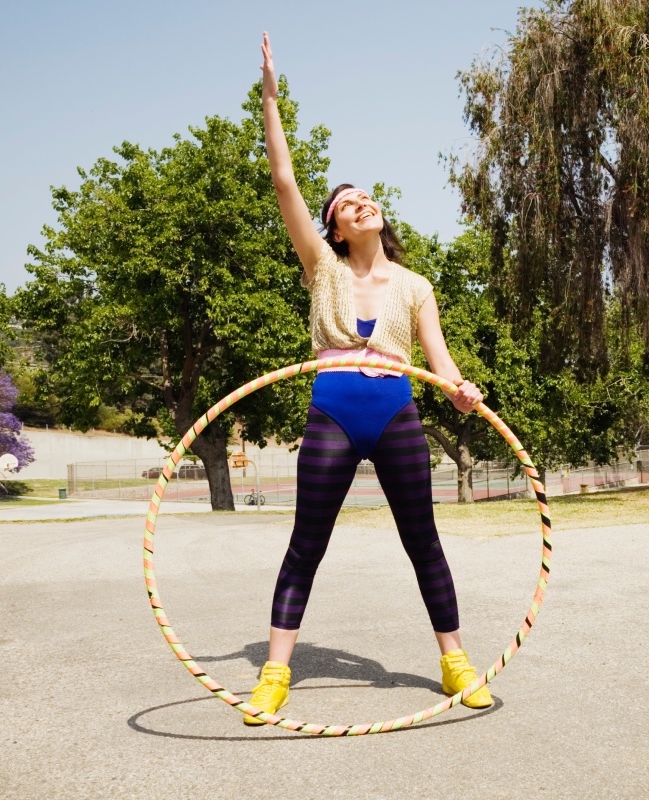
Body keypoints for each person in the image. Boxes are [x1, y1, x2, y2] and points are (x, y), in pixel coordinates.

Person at [244, 31, 492, 725]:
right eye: (347, 203)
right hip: (333, 412)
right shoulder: (320, 268)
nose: (362, 203)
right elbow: (285, 182)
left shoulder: (415, 285)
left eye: (367, 197)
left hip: (396, 414)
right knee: (306, 544)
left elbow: (439, 362)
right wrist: (270, 94)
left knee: (425, 541)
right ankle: (273, 675)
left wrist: (462, 390)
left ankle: (454, 662)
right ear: (332, 229)